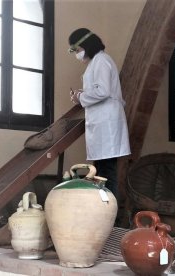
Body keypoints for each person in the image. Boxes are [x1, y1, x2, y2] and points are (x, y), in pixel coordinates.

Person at [68, 28, 130, 201]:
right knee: (102, 171)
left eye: (78, 50)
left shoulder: (101, 60)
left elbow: (102, 91)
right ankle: (105, 213)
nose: (77, 54)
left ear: (87, 45)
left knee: (106, 173)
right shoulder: (96, 62)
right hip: (102, 124)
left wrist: (80, 96)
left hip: (107, 124)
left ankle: (110, 215)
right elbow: (99, 90)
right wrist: (82, 96)